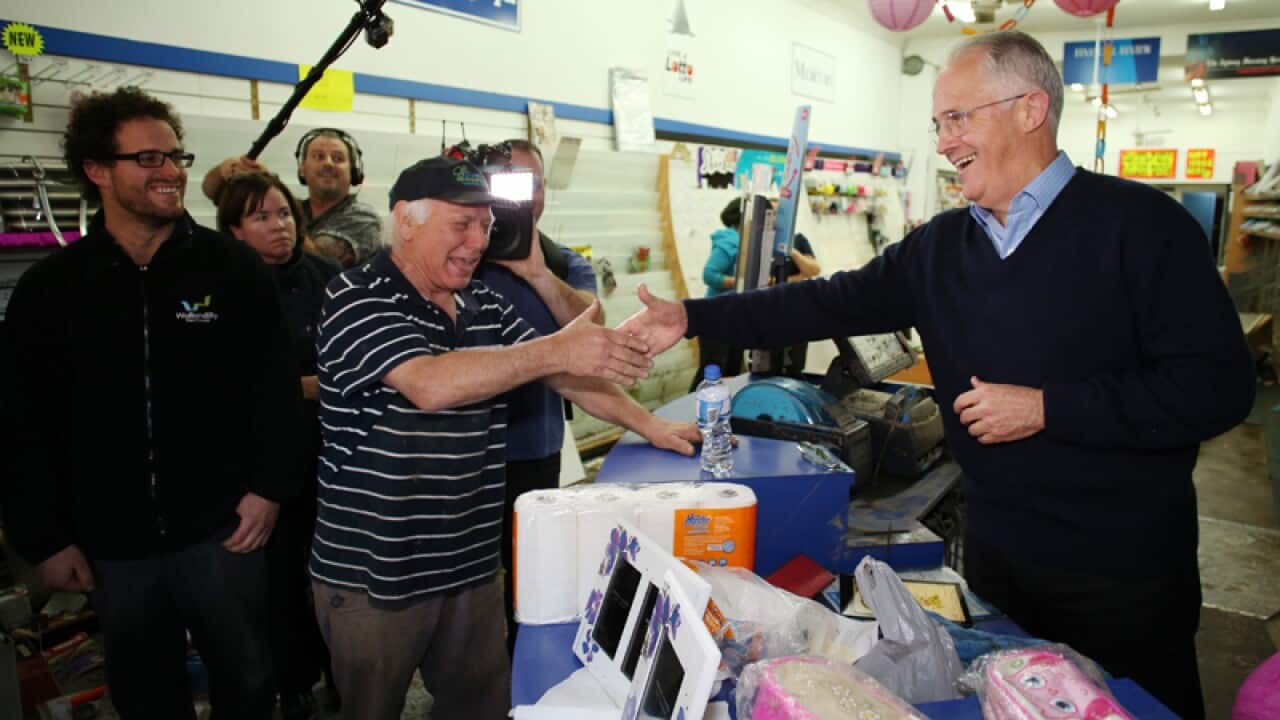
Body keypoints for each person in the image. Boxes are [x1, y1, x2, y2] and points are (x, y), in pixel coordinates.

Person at [618, 31, 1255, 720]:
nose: (945, 141)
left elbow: (1216, 388)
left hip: (1122, 579)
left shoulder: (1144, 229)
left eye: (959, 119)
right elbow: (824, 300)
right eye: (939, 123)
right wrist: (690, 314)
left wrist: (1049, 408)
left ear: (1029, 109)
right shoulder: (940, 247)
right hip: (998, 569)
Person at [309, 155, 699, 720]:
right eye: (461, 224)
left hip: (470, 567)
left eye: (487, 225)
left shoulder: (480, 300)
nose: (477, 241)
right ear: (406, 221)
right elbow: (428, 383)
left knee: (482, 706)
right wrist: (554, 348)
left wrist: (653, 425)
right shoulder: (356, 295)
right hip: (376, 575)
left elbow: (563, 374)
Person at [3, 87, 303, 719]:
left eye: (176, 156)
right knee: (144, 695)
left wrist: (270, 488)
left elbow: (274, 390)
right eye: (148, 160)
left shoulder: (234, 273)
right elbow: (22, 421)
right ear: (96, 170)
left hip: (226, 534)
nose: (172, 172)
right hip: (114, 544)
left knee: (249, 682)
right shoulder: (51, 291)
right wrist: (45, 539)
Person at [216, 172, 340, 720]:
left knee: (334, 579)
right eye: (261, 217)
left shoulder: (328, 278)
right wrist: (301, 386)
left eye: (285, 213)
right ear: (234, 230)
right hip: (260, 468)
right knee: (277, 587)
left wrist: (305, 386)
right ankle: (291, 683)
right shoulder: (219, 286)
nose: (279, 227)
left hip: (331, 457)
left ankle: (344, 677)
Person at [471, 140, 600, 656]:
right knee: (471, 583)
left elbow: (592, 325)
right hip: (464, 453)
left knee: (530, 574)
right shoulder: (462, 253)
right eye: (511, 183)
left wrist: (537, 273)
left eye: (536, 183)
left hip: (534, 448)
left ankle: (523, 670)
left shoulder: (561, 261)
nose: (525, 196)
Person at [203, 128, 382, 267]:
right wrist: (226, 169)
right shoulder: (291, 208)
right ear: (302, 169)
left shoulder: (364, 219)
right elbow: (211, 190)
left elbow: (320, 257)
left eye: (338, 158)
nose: (328, 163)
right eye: (318, 156)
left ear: (353, 172)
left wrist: (272, 191)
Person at [692, 197, 747, 389]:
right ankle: (691, 413)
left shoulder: (745, 242)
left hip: (733, 315)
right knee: (710, 374)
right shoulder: (730, 242)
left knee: (731, 373)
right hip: (716, 316)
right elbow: (709, 274)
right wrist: (741, 283)